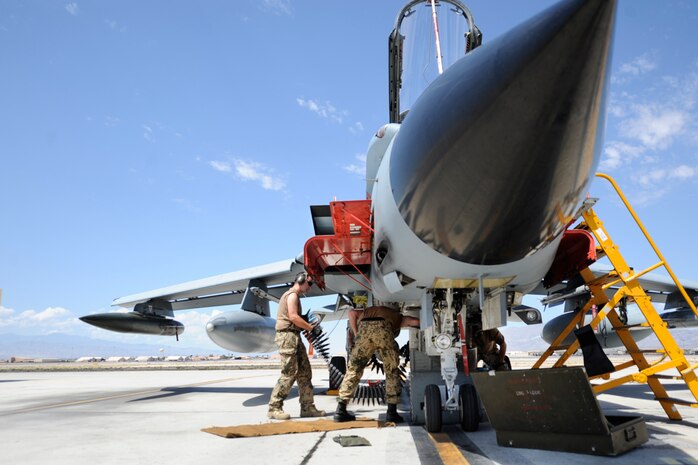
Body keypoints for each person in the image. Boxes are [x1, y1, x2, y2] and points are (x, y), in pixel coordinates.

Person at [334, 305, 419, 423]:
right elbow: (414, 321)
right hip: (382, 329)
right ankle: (392, 412)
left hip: (364, 329)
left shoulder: (368, 311)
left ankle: (340, 410)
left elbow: (351, 313)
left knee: (354, 369)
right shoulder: (398, 318)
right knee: (391, 371)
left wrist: (357, 333)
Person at [267, 272, 326, 420]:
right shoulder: (292, 295)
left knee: (305, 372)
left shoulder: (295, 296)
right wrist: (311, 328)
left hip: (294, 336)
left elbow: (295, 318)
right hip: (287, 336)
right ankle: (274, 408)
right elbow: (293, 317)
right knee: (289, 373)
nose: (310, 288)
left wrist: (305, 322)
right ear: (301, 280)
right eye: (309, 284)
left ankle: (307, 408)